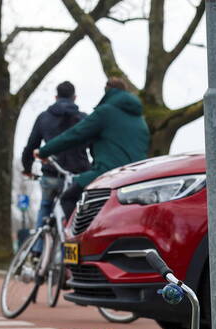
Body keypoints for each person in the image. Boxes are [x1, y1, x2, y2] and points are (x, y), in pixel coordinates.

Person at [35, 76, 150, 218]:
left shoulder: (105, 112)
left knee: (69, 198)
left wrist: (43, 152)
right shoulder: (141, 121)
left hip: (109, 174)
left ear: (107, 92)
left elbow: (74, 135)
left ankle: (77, 239)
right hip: (138, 177)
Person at [21, 81, 91, 243]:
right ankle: (69, 254)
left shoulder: (44, 118)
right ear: (74, 97)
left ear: (55, 97)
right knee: (74, 215)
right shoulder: (83, 119)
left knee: (45, 207)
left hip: (51, 173)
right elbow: (92, 144)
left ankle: (37, 252)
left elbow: (31, 146)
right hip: (77, 176)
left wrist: (28, 169)